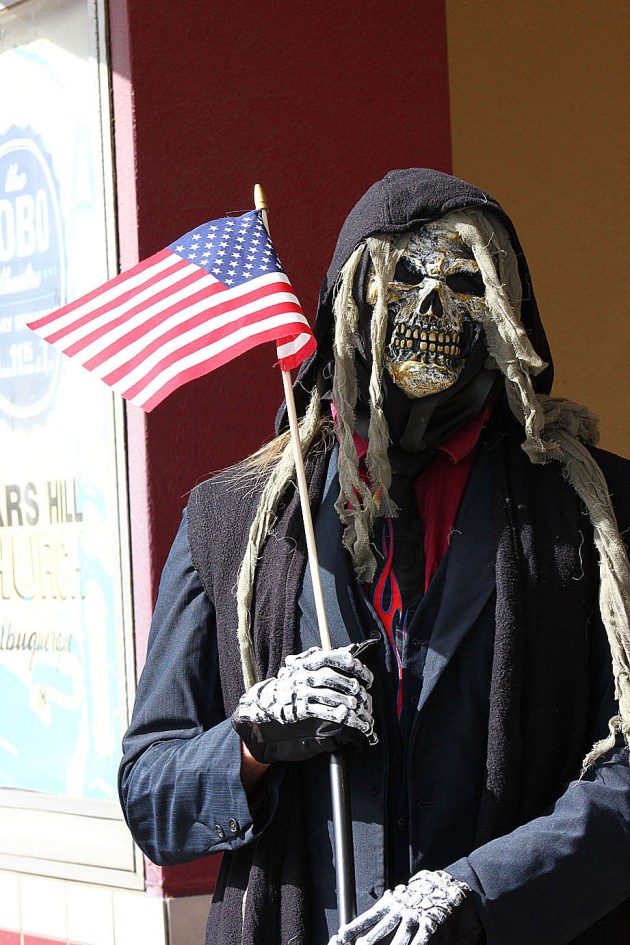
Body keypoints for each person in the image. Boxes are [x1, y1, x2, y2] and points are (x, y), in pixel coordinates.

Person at [118, 169, 630, 945]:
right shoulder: (232, 521)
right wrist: (253, 742)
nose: (430, 305)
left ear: (506, 309)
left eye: (464, 282)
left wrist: (482, 891)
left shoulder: (596, 511)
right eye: (401, 280)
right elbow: (150, 796)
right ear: (345, 302)